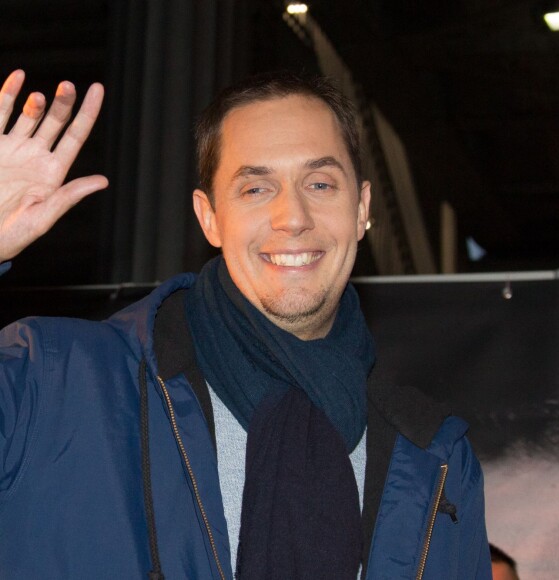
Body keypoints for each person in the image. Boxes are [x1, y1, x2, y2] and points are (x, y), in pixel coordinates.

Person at [0, 69, 491, 579]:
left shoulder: (433, 459)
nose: (293, 216)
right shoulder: (53, 378)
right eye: (256, 189)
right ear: (209, 217)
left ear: (362, 209)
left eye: (320, 183)